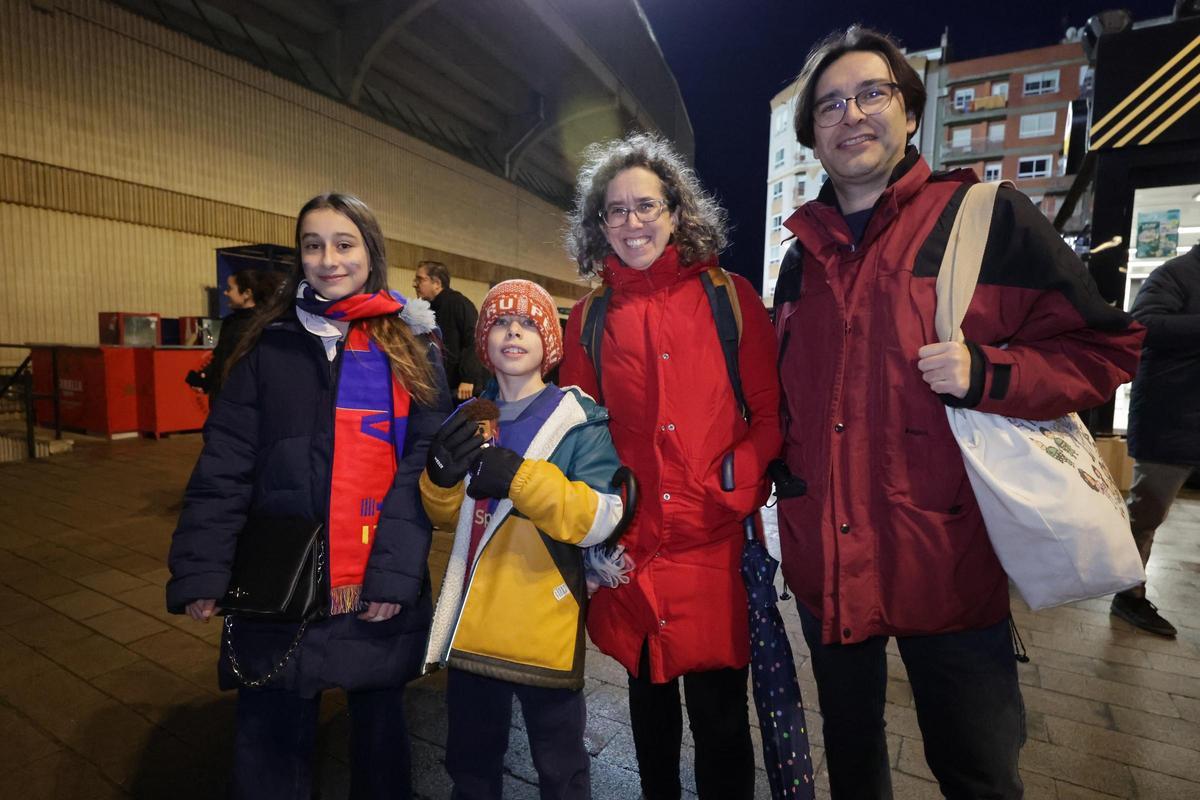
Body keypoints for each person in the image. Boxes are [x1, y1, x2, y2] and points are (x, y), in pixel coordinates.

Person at [773, 26, 1144, 798]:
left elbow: (1106, 349)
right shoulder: (800, 256)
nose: (851, 115)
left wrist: (989, 373)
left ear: (910, 112)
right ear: (811, 134)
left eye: (871, 94)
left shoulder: (986, 217)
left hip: (948, 559)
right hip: (828, 560)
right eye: (830, 104)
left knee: (977, 772)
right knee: (852, 761)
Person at [165, 193, 450, 799]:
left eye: (344, 244)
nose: (329, 259)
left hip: (374, 572)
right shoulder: (267, 344)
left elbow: (421, 470)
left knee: (379, 740)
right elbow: (225, 462)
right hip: (278, 574)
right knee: (269, 742)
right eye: (313, 245)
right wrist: (202, 567)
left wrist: (395, 576)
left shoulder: (411, 349)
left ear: (371, 252)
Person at [559, 133, 781, 800]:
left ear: (677, 212)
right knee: (650, 716)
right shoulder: (589, 317)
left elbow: (769, 414)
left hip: (713, 544)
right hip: (633, 549)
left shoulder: (730, 297)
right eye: (616, 210)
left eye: (646, 206)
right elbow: (580, 435)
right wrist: (597, 528)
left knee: (722, 723)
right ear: (600, 224)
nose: (632, 222)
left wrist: (735, 481)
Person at [420, 279, 627, 800]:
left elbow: (601, 516)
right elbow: (446, 516)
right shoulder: (469, 417)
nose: (514, 332)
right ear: (484, 342)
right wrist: (438, 482)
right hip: (474, 627)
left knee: (561, 770)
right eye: (501, 323)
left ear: (549, 344)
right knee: (470, 767)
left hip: (543, 626)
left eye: (529, 324)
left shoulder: (577, 420)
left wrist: (520, 479)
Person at [1113, 244, 1200, 637]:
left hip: (1183, 417)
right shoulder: (1177, 273)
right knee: (1147, 513)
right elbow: (1143, 325)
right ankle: (1128, 594)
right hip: (1172, 417)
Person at [193, 269, 284, 398]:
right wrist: (206, 378)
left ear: (247, 293)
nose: (225, 292)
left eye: (230, 289)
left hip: (244, 399)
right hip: (223, 398)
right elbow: (221, 358)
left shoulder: (262, 324)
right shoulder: (230, 322)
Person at [413, 260, 488, 400]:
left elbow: (474, 341)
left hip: (462, 389)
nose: (414, 284)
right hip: (441, 386)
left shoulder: (459, 304)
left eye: (420, 279)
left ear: (437, 283)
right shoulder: (427, 310)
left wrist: (468, 378)